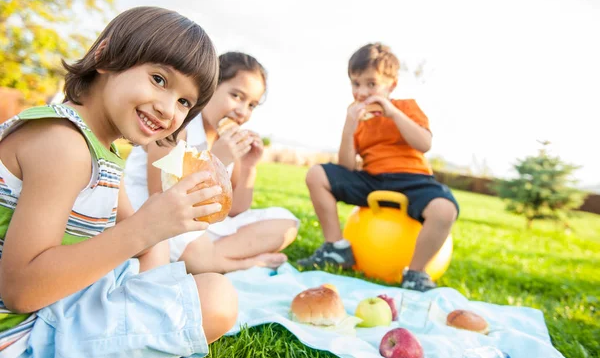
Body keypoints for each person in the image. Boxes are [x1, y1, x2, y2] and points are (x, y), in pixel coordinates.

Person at [0, 6, 238, 358]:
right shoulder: (62, 146)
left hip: (56, 305)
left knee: (200, 289)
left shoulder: (101, 151)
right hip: (18, 337)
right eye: (159, 79)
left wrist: (159, 226)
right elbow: (19, 291)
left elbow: (144, 238)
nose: (167, 109)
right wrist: (148, 228)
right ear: (106, 58)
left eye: (184, 102)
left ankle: (136, 353)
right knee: (216, 299)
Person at [298, 43, 459, 292]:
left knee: (445, 209)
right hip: (372, 179)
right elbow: (347, 166)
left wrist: (393, 113)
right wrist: (349, 126)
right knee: (316, 174)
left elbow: (424, 143)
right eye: (356, 83)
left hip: (414, 180)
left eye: (371, 84)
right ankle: (336, 248)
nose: (361, 92)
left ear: (391, 85)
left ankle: (415, 273)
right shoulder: (358, 119)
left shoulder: (406, 108)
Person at [124, 52, 298, 274]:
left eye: (252, 105)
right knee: (194, 250)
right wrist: (215, 160)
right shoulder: (177, 126)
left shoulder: (226, 138)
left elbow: (235, 210)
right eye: (236, 96)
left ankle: (212, 258)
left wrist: (248, 166)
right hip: (156, 216)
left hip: (200, 226)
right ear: (211, 88)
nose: (243, 111)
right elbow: (160, 196)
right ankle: (242, 263)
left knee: (287, 224)